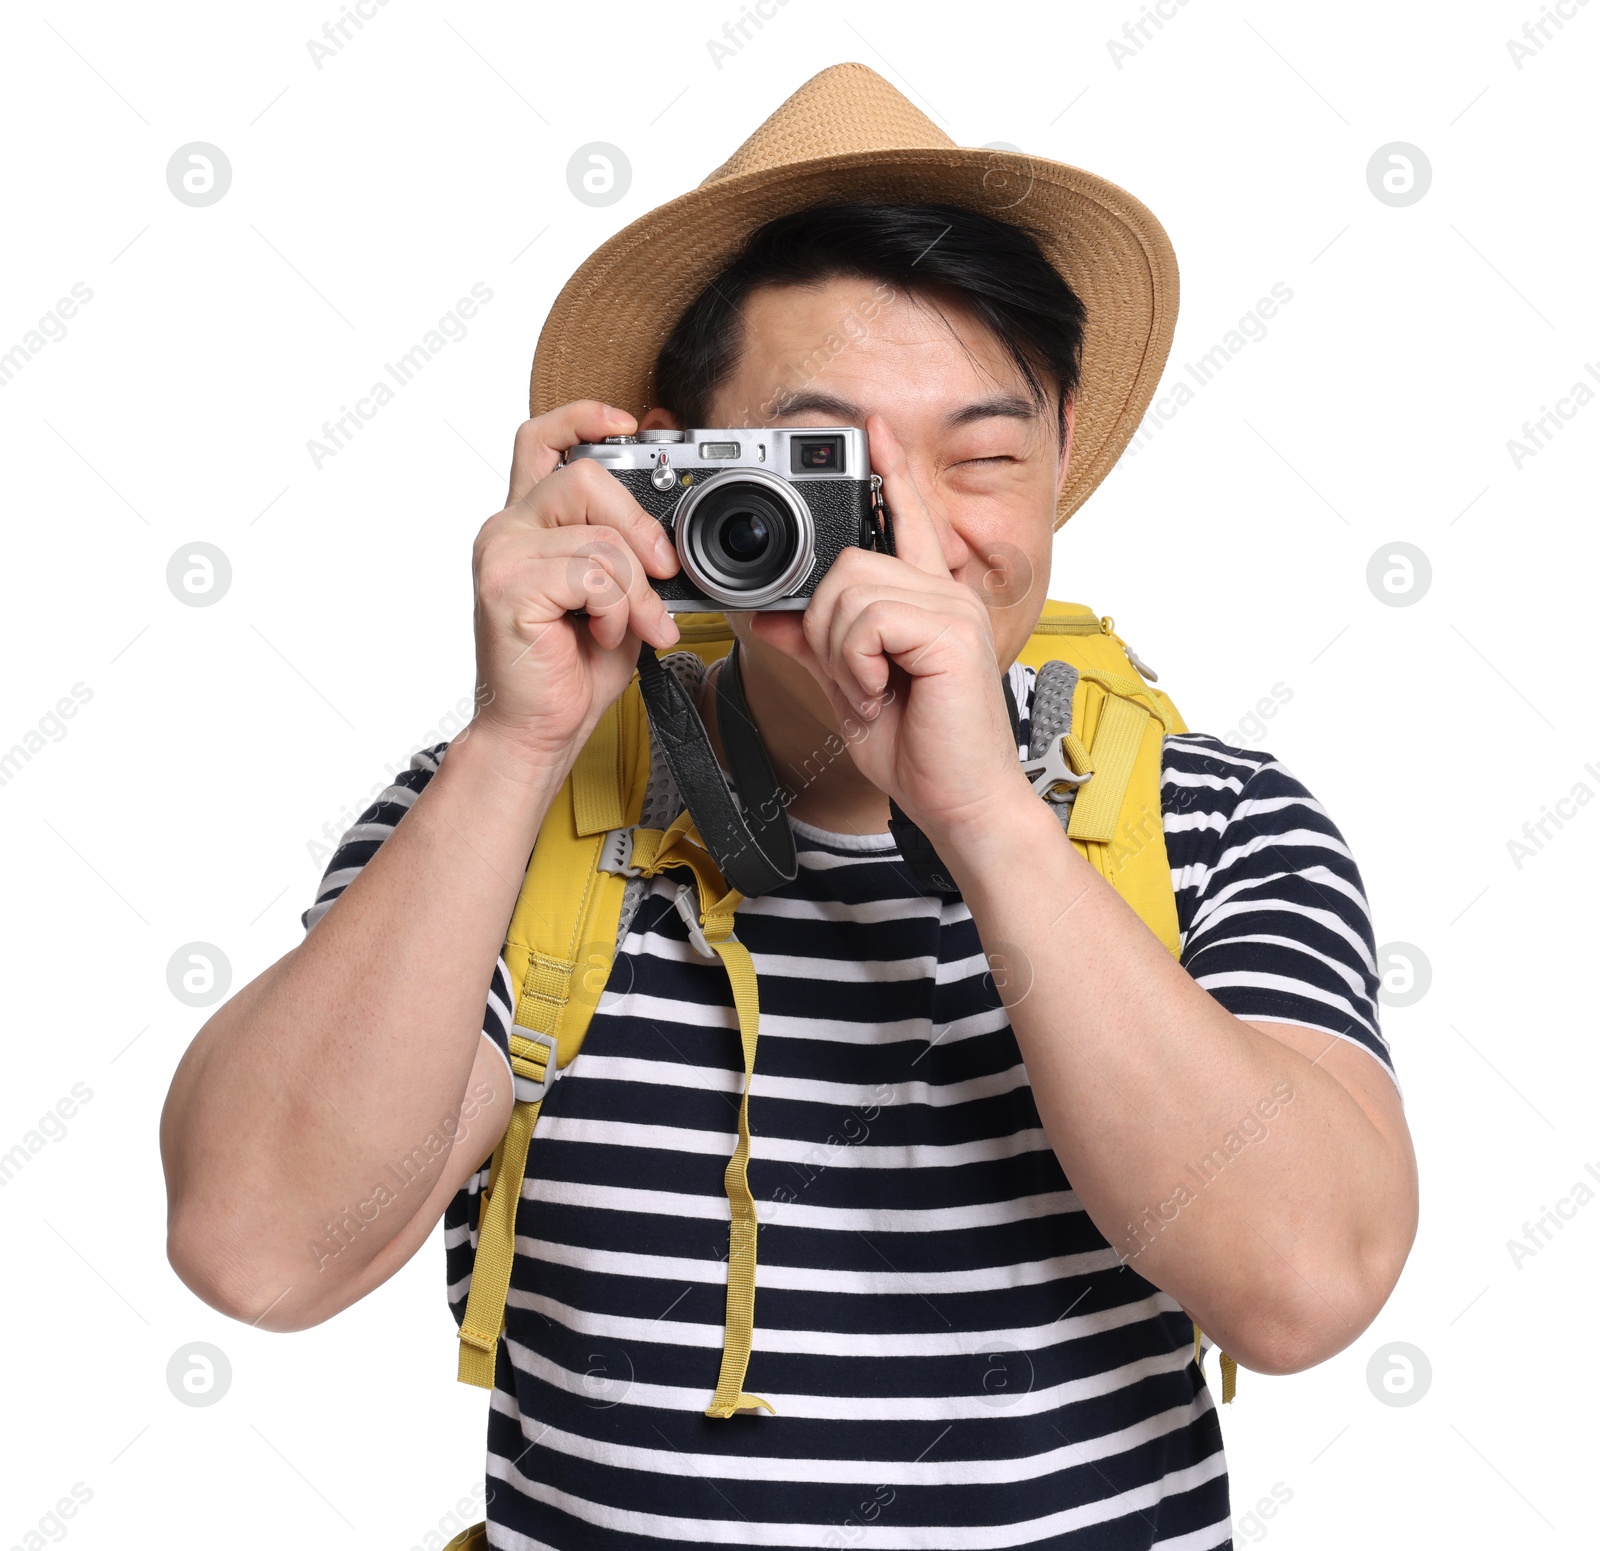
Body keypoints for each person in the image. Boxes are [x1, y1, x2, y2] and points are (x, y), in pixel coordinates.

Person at [161, 63, 1417, 1549]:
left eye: (983, 457)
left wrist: (991, 821)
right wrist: (513, 747)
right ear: (675, 468)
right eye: (821, 469)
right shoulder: (515, 816)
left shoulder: (1212, 824)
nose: (908, 533)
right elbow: (257, 1251)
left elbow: (1306, 1287)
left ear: (1066, 455)